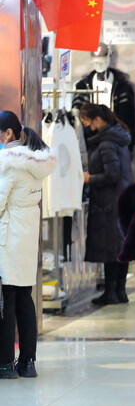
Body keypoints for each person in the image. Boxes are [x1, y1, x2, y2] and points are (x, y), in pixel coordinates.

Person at [0, 111, 56, 379]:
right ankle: (28, 362)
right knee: (25, 297)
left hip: (8, 237)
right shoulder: (36, 162)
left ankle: (5, 364)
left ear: (7, 134)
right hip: (27, 235)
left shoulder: (8, 162)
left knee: (7, 299)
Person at [79, 103, 134, 306]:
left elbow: (112, 174)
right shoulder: (117, 138)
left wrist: (89, 178)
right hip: (121, 199)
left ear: (97, 120)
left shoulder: (105, 143)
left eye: (86, 120)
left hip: (110, 202)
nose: (85, 125)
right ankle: (120, 291)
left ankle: (111, 292)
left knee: (111, 249)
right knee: (119, 247)